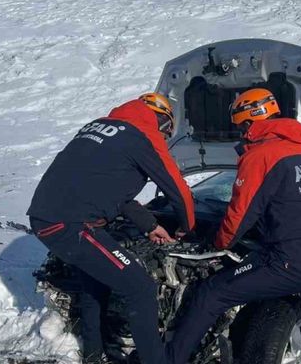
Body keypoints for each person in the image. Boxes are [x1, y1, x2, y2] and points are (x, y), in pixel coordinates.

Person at [165, 88, 301, 364]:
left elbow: (239, 216)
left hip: (289, 260)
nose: (241, 133)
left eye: (240, 126)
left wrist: (216, 244)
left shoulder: (261, 156)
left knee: (211, 293)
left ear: (249, 121)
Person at [27, 93, 195, 364]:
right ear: (163, 123)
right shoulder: (144, 134)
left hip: (46, 218)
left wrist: (150, 225)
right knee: (140, 286)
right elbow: (178, 191)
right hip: (73, 225)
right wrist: (188, 228)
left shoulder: (101, 127)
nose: (164, 140)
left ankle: (93, 356)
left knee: (96, 284)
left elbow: (114, 193)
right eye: (167, 134)